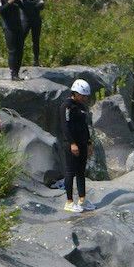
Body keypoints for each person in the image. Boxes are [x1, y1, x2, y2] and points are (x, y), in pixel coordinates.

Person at [61, 79, 96, 213]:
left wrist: (88, 143)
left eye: (86, 96)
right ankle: (69, 202)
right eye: (82, 95)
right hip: (71, 144)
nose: (84, 98)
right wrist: (72, 143)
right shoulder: (66, 106)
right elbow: (65, 127)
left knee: (81, 172)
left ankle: (82, 199)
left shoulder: (82, 107)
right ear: (75, 93)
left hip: (82, 143)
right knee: (70, 172)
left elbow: (84, 126)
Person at [0, 0, 25, 80]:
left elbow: (25, 8)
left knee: (20, 51)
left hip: (18, 27)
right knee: (12, 51)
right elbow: (0, 11)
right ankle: (13, 74)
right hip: (9, 28)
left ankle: (17, 73)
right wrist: (9, 2)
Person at [19, 0, 44, 67]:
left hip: (36, 20)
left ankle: (36, 60)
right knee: (21, 39)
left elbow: (41, 6)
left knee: (36, 40)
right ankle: (19, 60)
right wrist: (33, 5)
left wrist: (29, 5)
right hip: (25, 20)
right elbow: (22, 5)